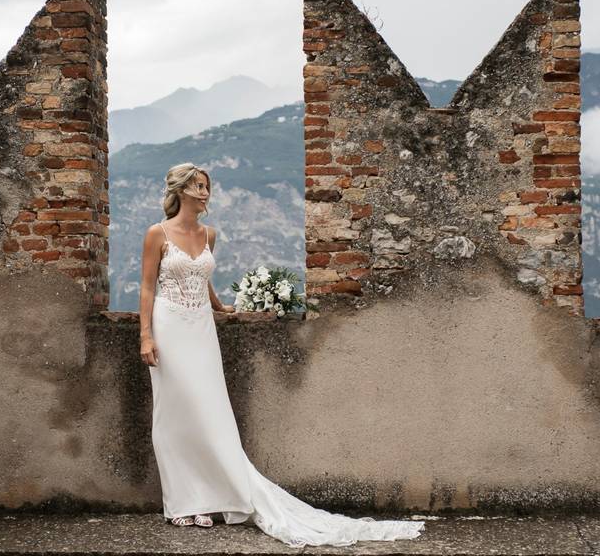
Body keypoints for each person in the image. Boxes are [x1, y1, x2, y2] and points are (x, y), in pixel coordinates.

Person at [138, 162, 426, 547]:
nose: (204, 192)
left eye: (207, 186)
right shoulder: (157, 233)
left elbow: (200, 277)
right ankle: (183, 503)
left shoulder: (210, 234)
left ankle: (212, 496)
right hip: (170, 326)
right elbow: (146, 287)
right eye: (197, 186)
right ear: (180, 190)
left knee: (211, 413)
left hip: (202, 329)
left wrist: (221, 306)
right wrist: (145, 336)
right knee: (174, 414)